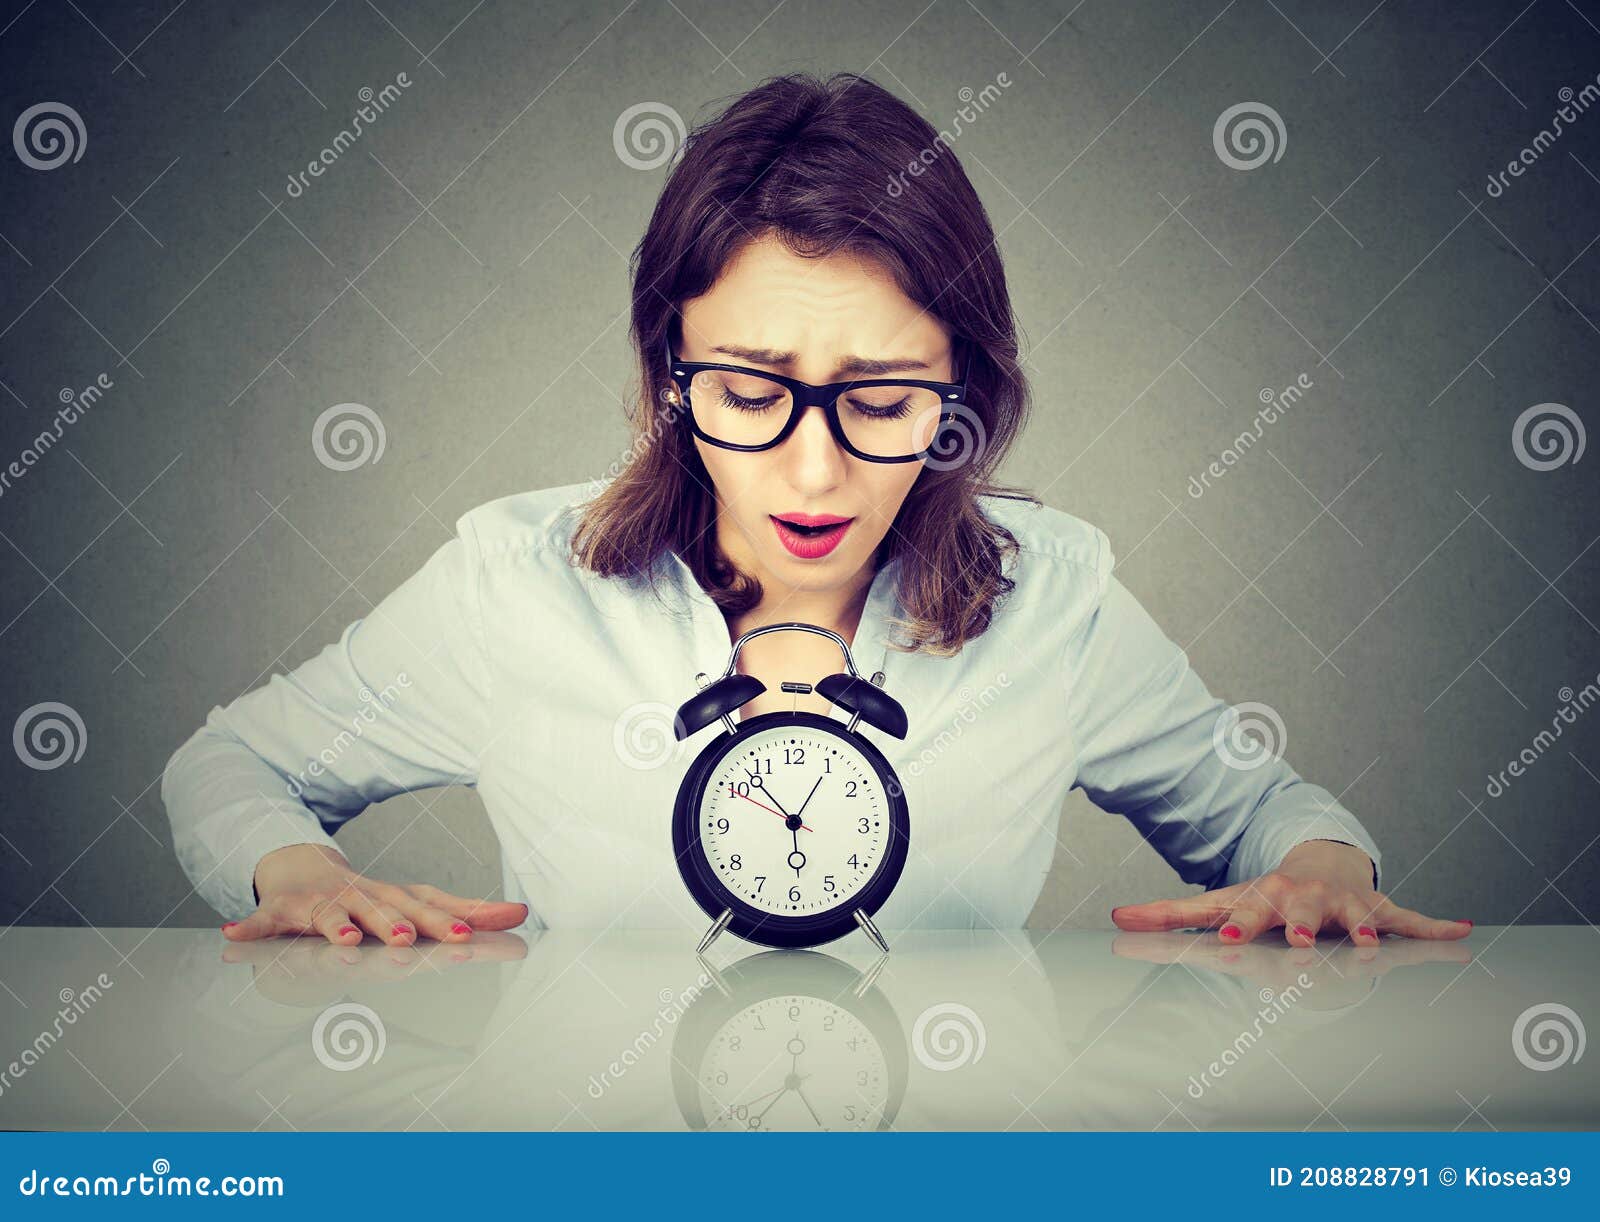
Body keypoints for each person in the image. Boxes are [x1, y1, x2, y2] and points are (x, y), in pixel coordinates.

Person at [162, 72, 1471, 950]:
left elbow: (1264, 812)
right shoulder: (519, 584)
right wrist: (309, 877)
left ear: (966, 383)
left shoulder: (1054, 600)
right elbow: (232, 763)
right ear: (668, 376)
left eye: (883, 396)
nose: (810, 472)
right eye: (749, 389)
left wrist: (1323, 872)